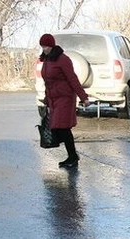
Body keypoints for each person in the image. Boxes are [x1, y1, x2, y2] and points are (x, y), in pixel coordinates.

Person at [39, 34, 91, 168]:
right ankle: (72, 156)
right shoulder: (46, 60)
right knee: (58, 128)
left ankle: (72, 157)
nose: (45, 49)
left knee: (62, 127)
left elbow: (72, 79)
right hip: (53, 98)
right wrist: (46, 98)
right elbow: (47, 82)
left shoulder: (63, 60)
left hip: (65, 98)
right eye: (43, 46)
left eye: (47, 46)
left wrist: (83, 97)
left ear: (52, 45)